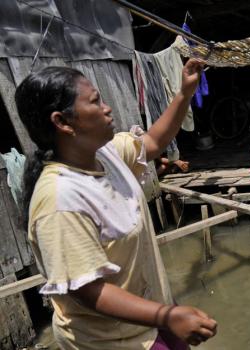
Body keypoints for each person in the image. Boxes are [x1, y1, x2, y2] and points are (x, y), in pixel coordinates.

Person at [15, 59, 217, 350]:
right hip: (112, 339)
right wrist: (167, 315)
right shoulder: (60, 199)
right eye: (96, 102)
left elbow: (152, 142)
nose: (107, 108)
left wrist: (185, 93)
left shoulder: (105, 154)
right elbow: (87, 289)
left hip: (150, 312)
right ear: (62, 121)